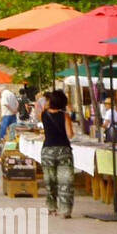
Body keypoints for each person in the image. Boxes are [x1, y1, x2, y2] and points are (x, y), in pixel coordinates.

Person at [40, 90, 76, 218]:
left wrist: (46, 103)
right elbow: (70, 134)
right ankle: (65, 210)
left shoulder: (44, 114)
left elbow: (42, 105)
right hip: (64, 151)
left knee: (50, 181)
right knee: (65, 182)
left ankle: (51, 207)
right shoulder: (65, 116)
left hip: (48, 150)